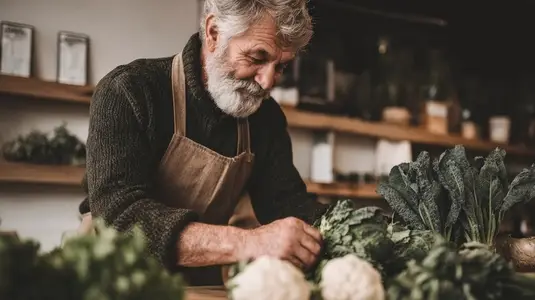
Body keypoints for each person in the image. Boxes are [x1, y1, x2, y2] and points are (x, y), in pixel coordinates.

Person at [76, 0, 329, 286]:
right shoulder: (129, 91)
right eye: (257, 58)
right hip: (111, 279)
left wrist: (364, 229)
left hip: (199, 284)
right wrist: (250, 242)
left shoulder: (265, 117)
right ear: (213, 33)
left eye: (280, 66)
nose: (268, 81)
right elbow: (120, 217)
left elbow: (287, 204)